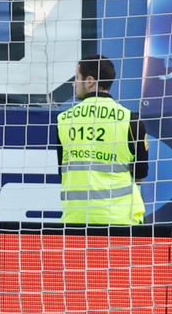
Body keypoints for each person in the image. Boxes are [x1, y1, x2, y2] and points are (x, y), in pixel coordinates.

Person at [54, 55, 148, 225]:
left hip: (75, 220)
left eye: (77, 77)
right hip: (121, 221)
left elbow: (63, 168)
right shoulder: (130, 120)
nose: (74, 83)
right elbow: (140, 175)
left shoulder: (64, 120)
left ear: (90, 81)